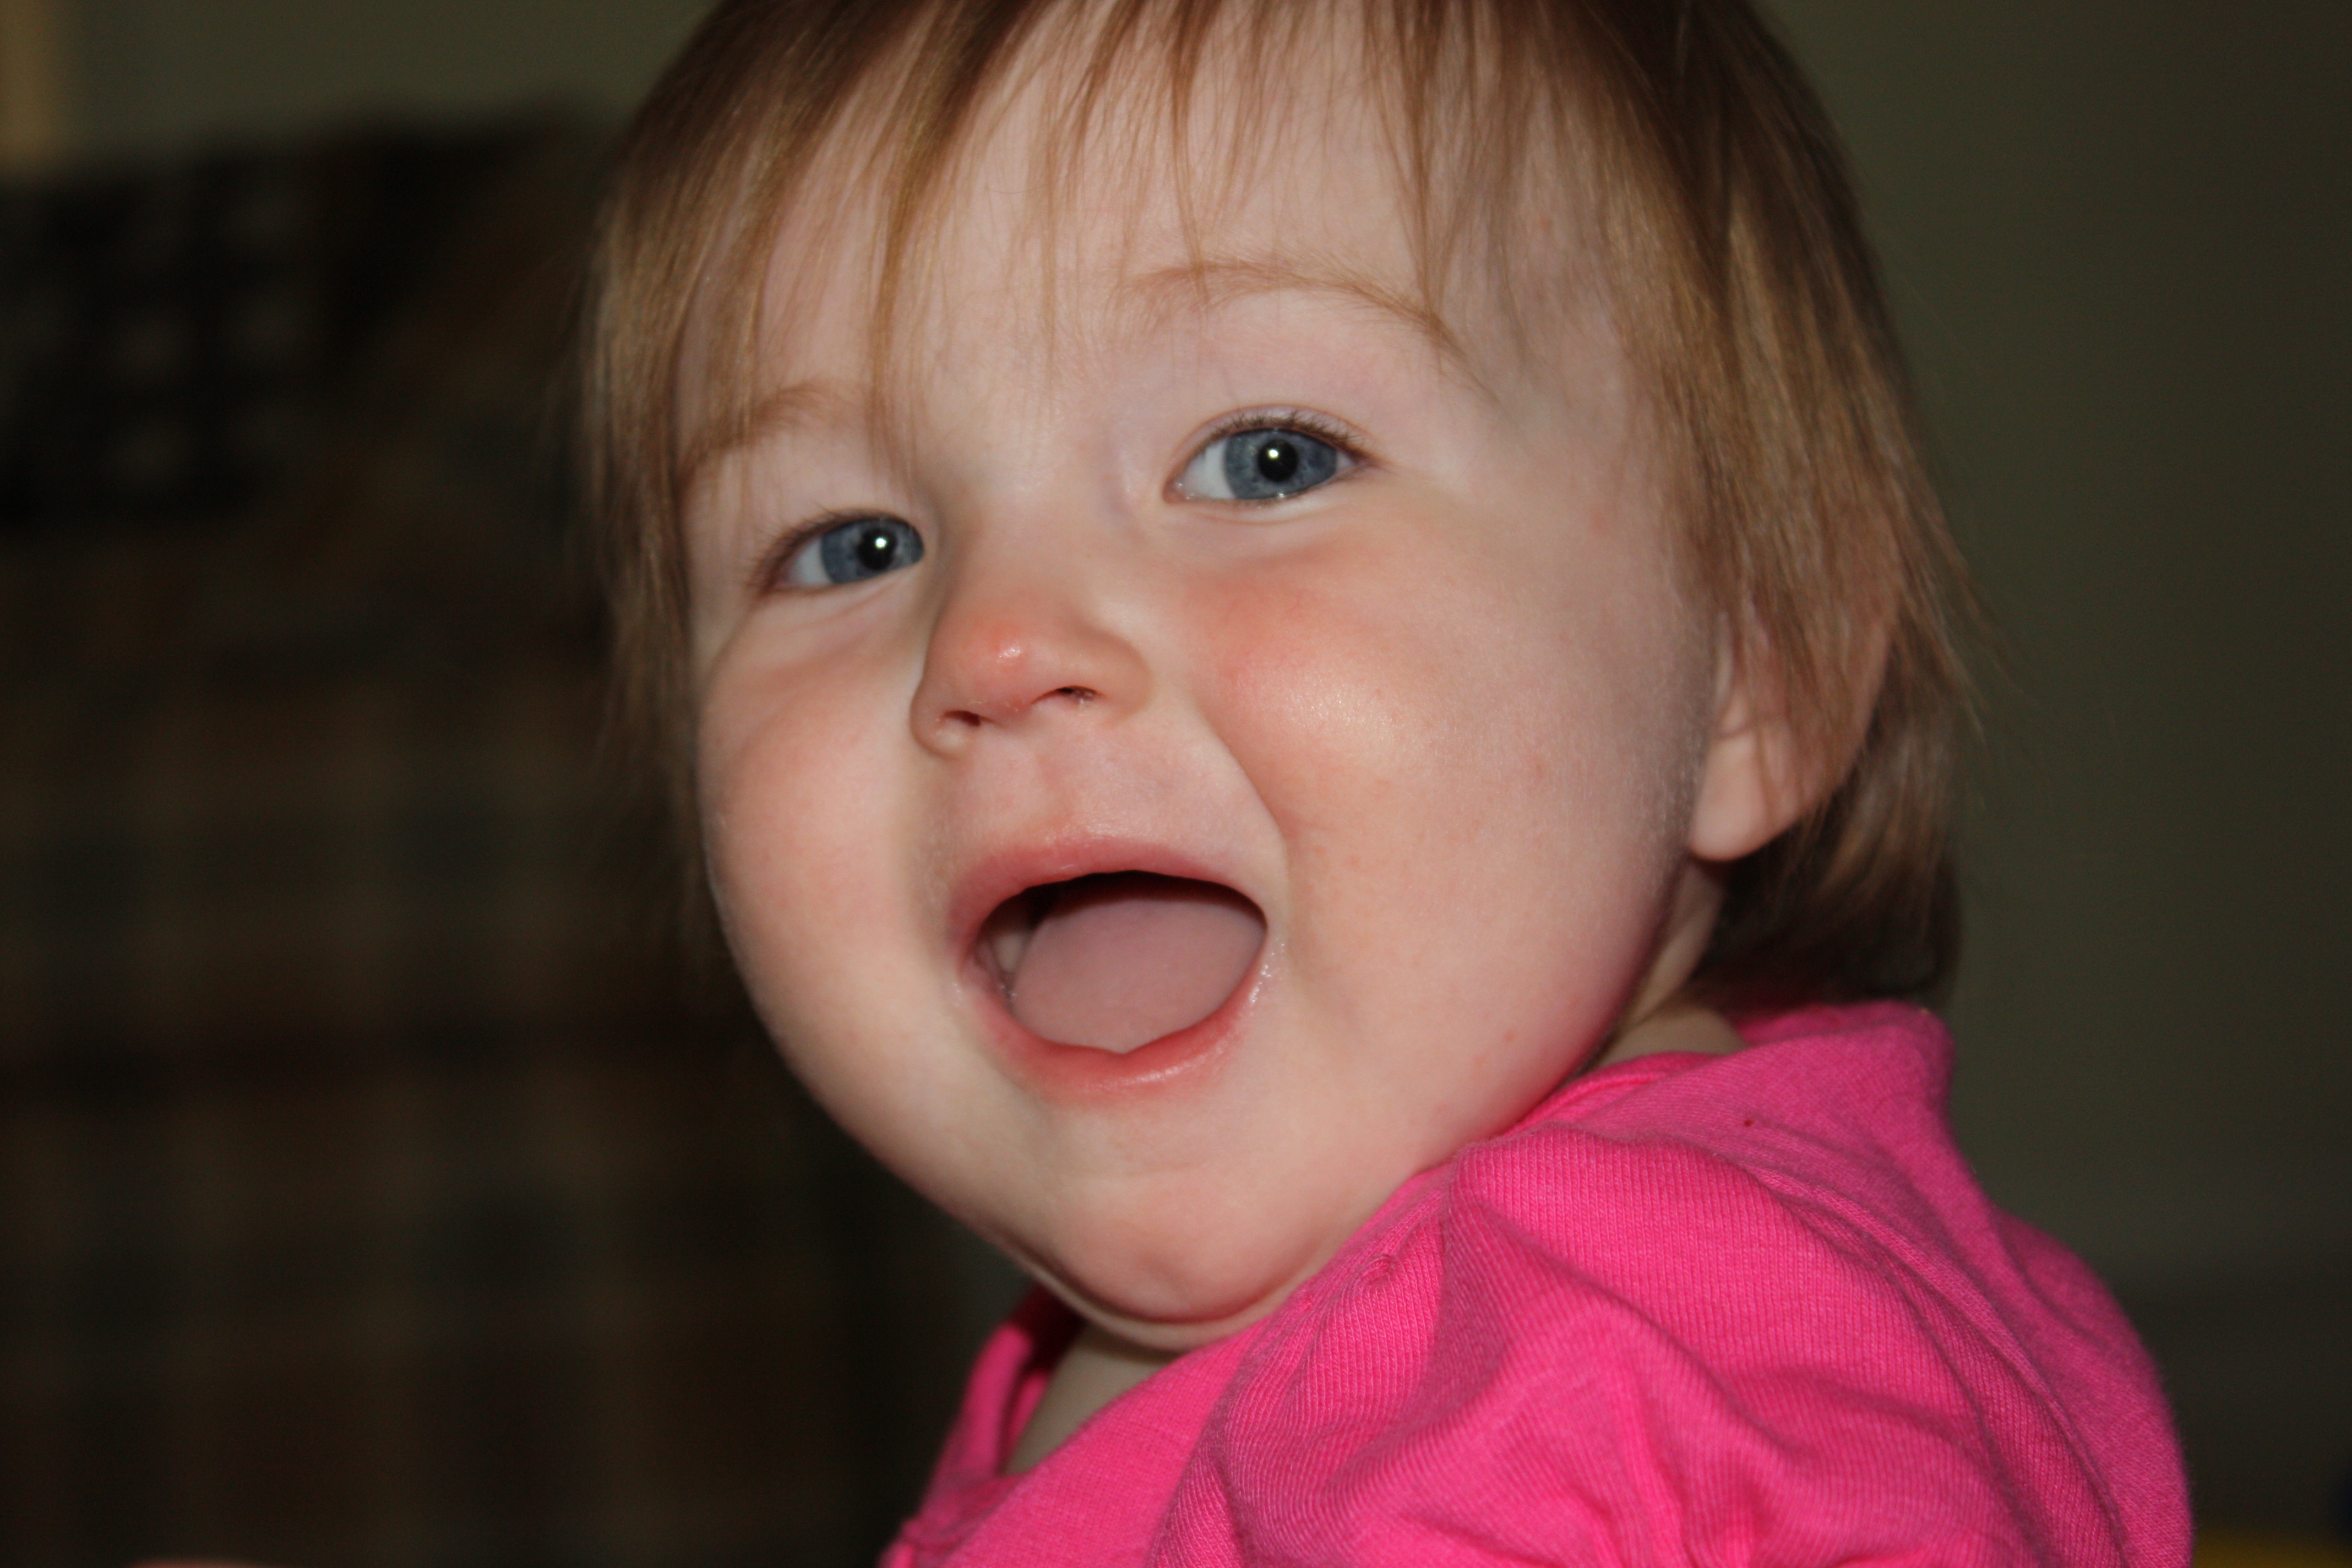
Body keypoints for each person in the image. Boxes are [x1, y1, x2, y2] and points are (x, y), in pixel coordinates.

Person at [581, 0, 2192, 1561]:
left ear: (1756, 669)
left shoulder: (1660, 1377)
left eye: (1265, 459)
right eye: (850, 547)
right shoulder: (1230, 1354)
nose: (995, 643)